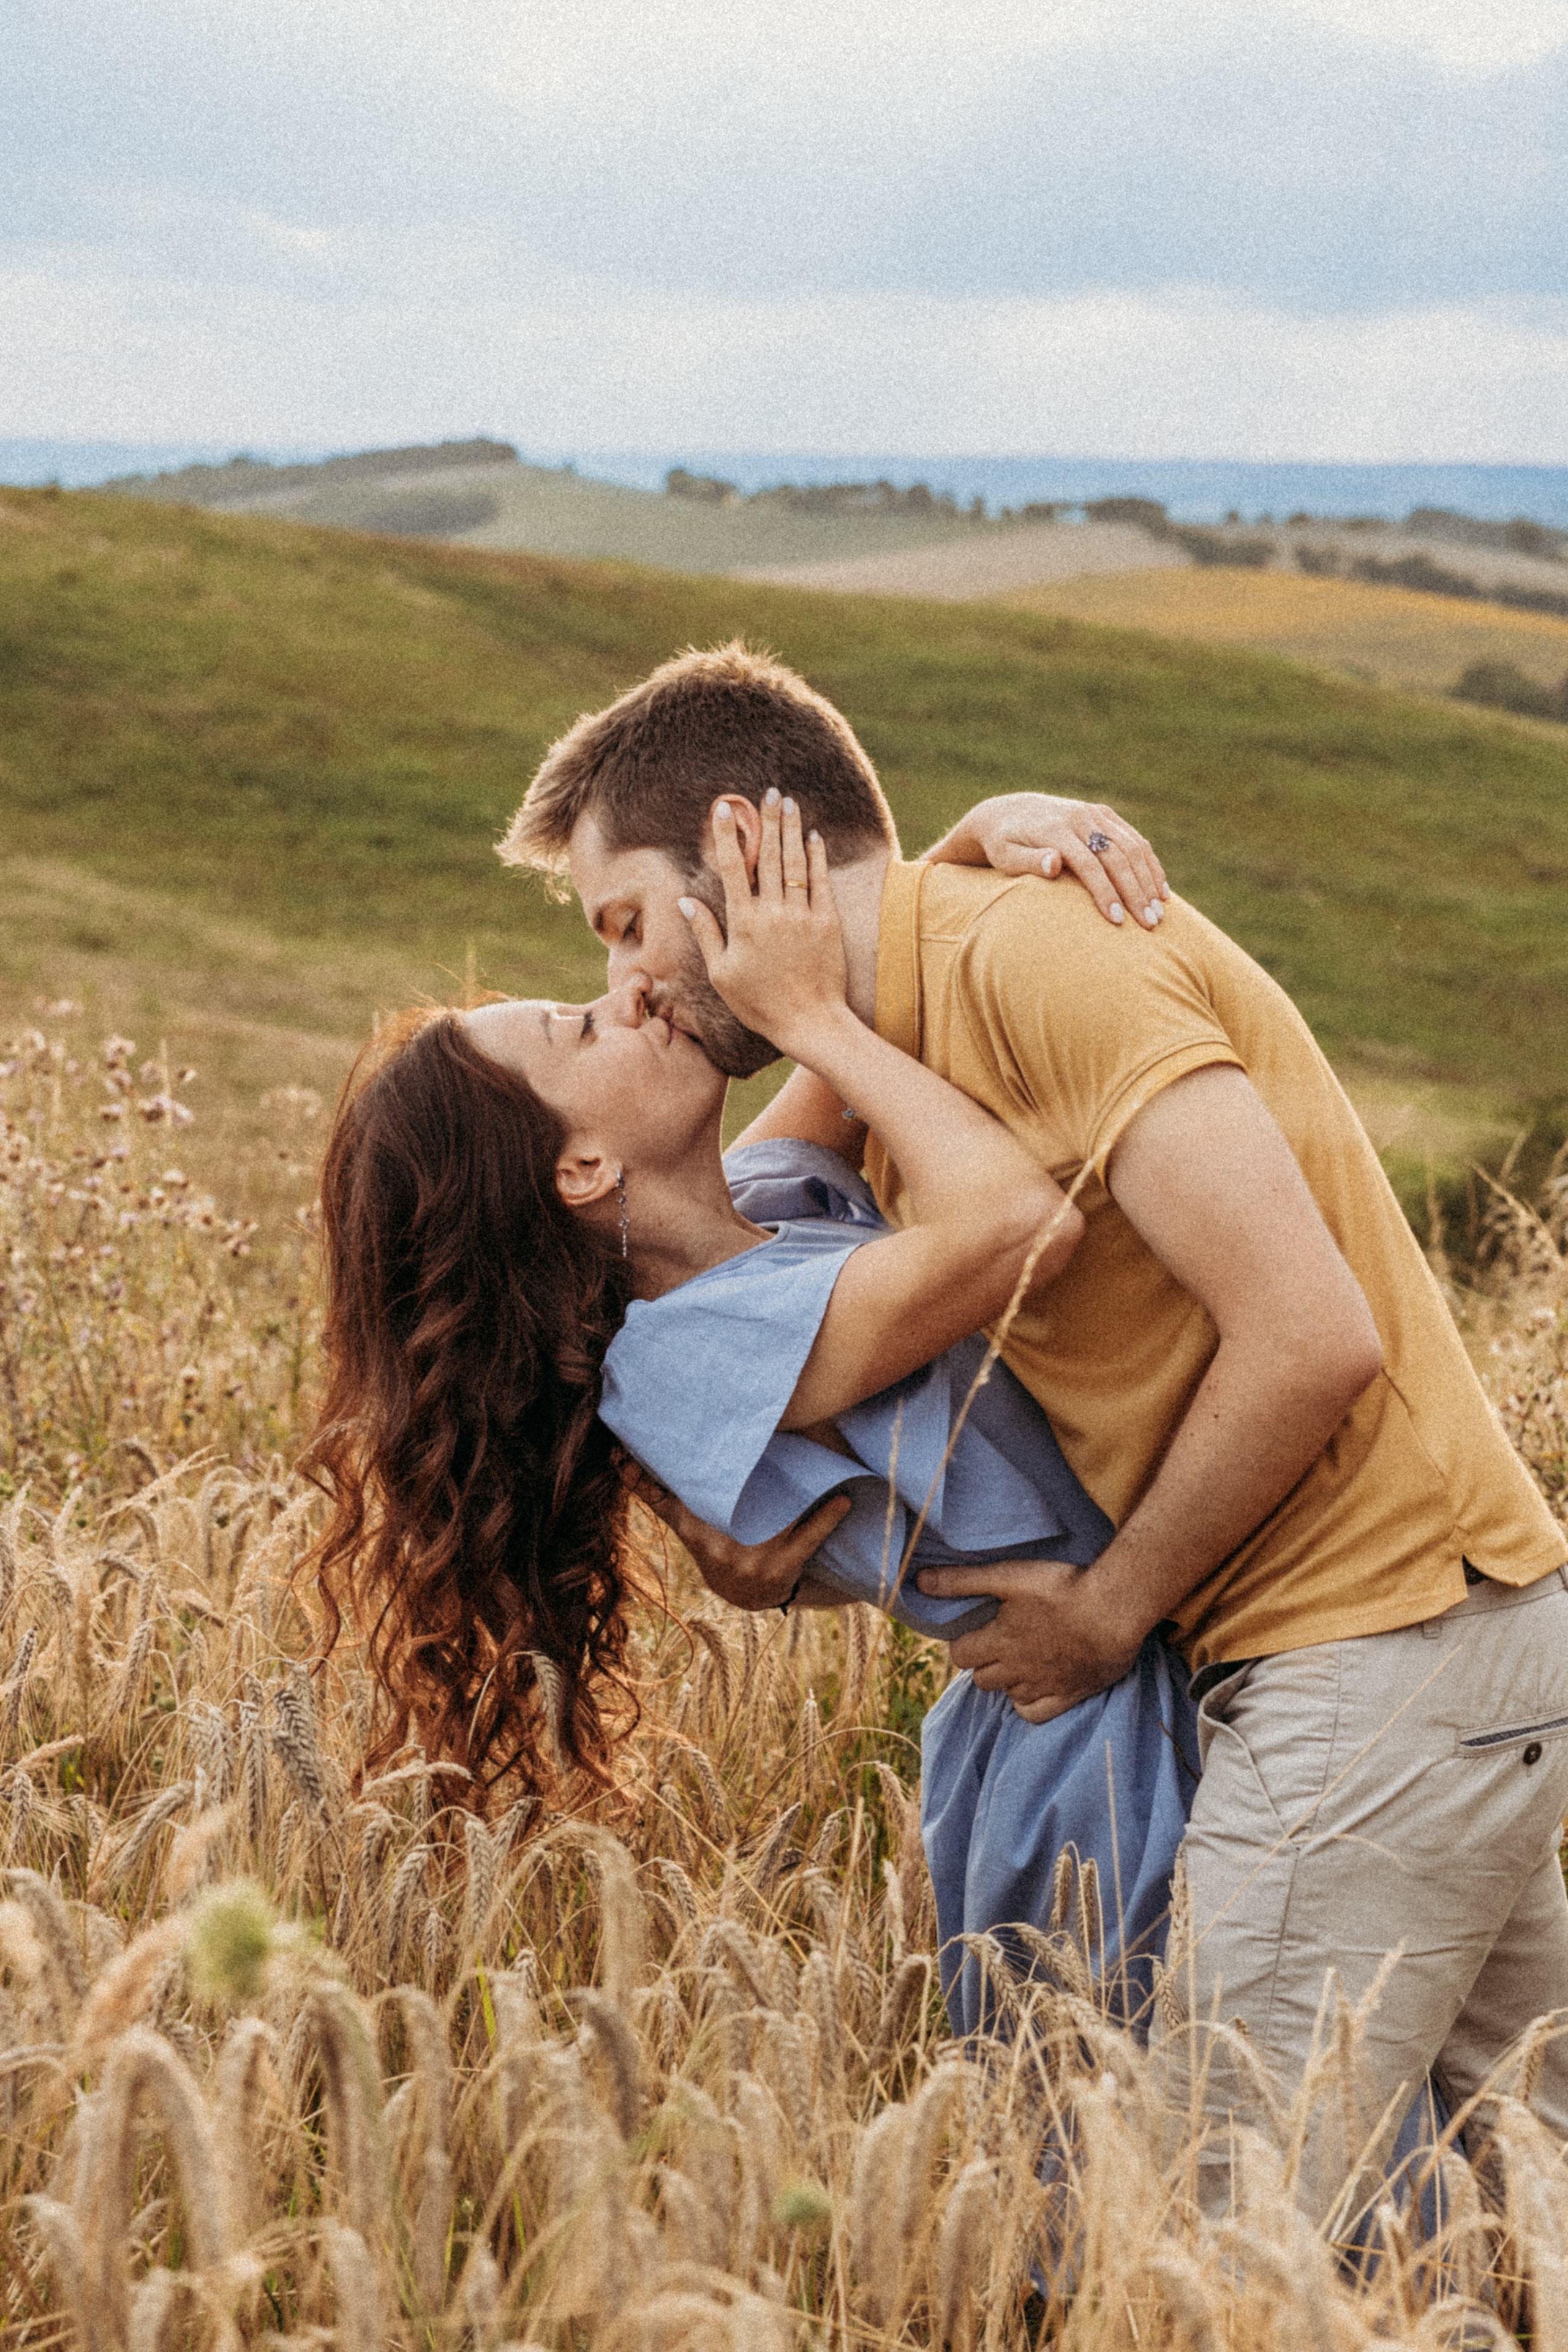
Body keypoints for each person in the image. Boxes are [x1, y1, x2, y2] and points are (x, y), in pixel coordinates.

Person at [499, 639, 1568, 2223]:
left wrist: (1109, 1613)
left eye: (625, 926)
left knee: (1218, 2247)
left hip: (1375, 1652)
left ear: (741, 847)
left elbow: (1314, 1335)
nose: (629, 987)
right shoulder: (929, 1009)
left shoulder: (1037, 964)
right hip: (1410, 1658)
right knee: (1511, 2230)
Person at [305, 792, 1199, 2041]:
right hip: (1079, 1755)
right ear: (580, 1172)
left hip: (1127, 1672)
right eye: (580, 1024)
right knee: (1161, 2156)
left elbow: (845, 1064)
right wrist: (812, 1018)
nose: (625, 994)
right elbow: (1017, 1226)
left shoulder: (744, 1210)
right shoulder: (685, 1353)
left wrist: (954, 849)